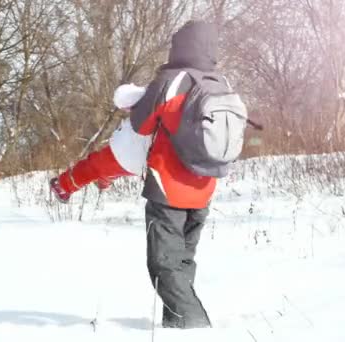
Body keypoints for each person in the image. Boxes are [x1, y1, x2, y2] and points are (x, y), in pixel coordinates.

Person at [51, 20, 221, 329]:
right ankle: (176, 325)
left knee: (163, 264)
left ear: (179, 47)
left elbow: (141, 126)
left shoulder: (170, 80)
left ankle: (194, 328)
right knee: (182, 260)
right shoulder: (218, 82)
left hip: (168, 187)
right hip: (204, 187)